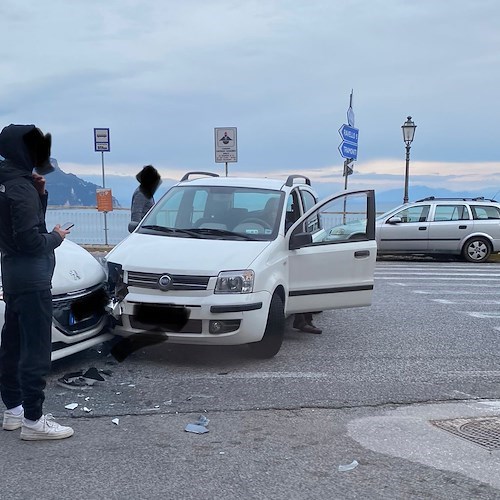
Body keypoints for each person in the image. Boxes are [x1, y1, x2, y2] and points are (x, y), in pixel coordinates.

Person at [0, 124, 74, 440]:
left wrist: (39, 195)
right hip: (32, 278)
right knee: (36, 349)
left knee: (12, 345)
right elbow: (31, 240)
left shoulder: (8, 181)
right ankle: (34, 420)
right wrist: (56, 237)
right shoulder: (20, 188)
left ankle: (13, 411)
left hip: (12, 273)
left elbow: (16, 228)